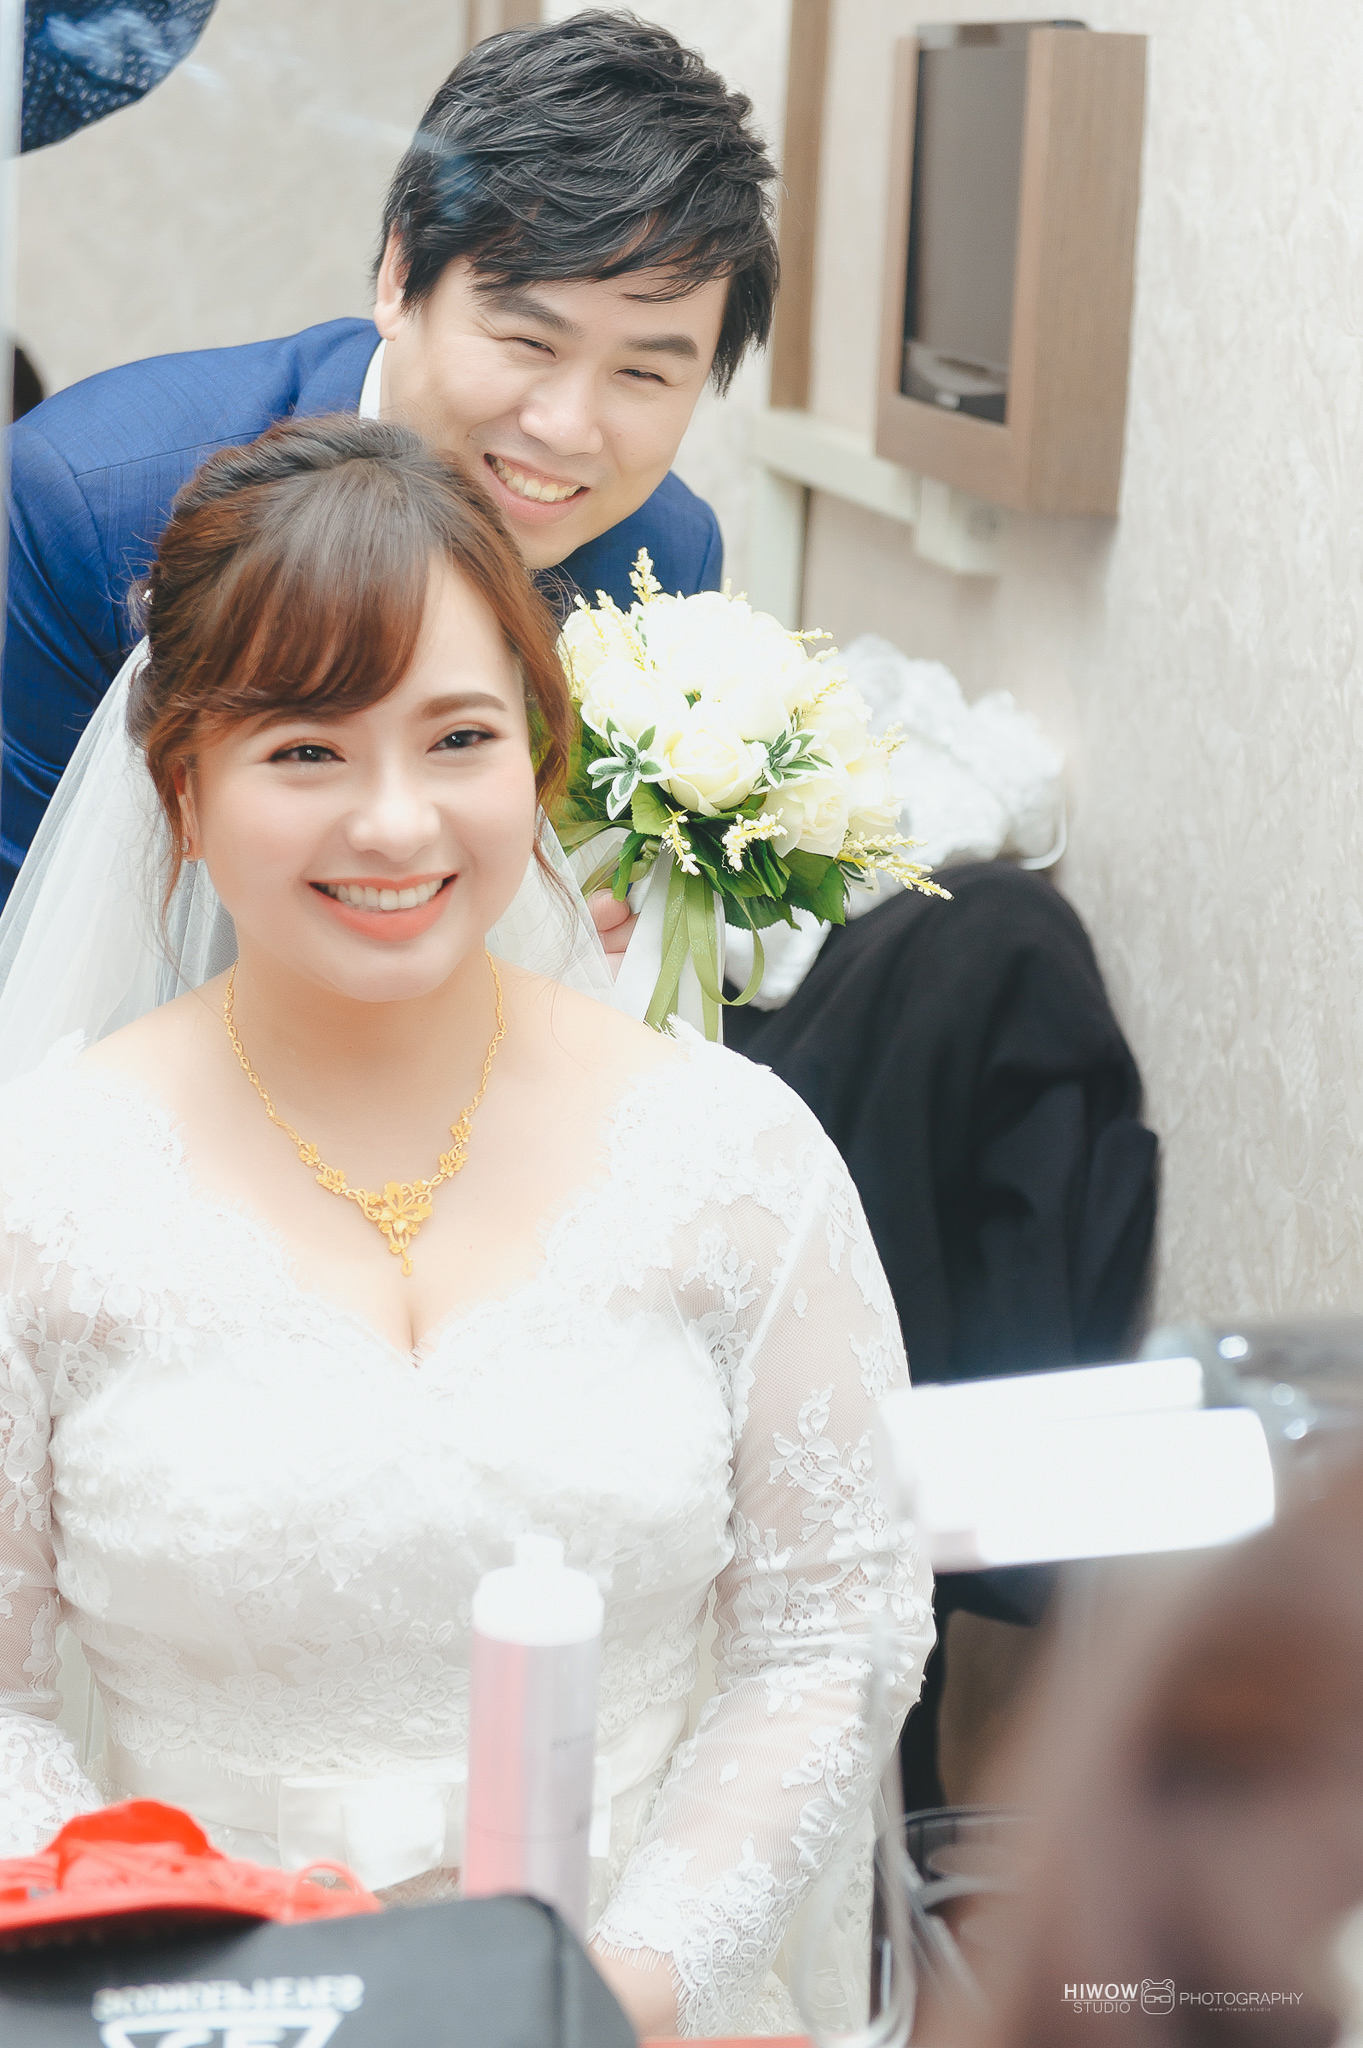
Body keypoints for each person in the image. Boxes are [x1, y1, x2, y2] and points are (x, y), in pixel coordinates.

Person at [0, 416, 932, 2039]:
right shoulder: (47, 1182)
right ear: (185, 791)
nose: (394, 823)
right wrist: (192, 1986)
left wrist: (616, 1989)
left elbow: (824, 1634)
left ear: (538, 756)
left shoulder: (733, 1156)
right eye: (306, 751)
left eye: (455, 739)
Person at [2, 9, 778, 899]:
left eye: (642, 373)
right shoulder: (86, 503)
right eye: (530, 342)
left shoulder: (664, 553)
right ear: (400, 275)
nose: (567, 428)